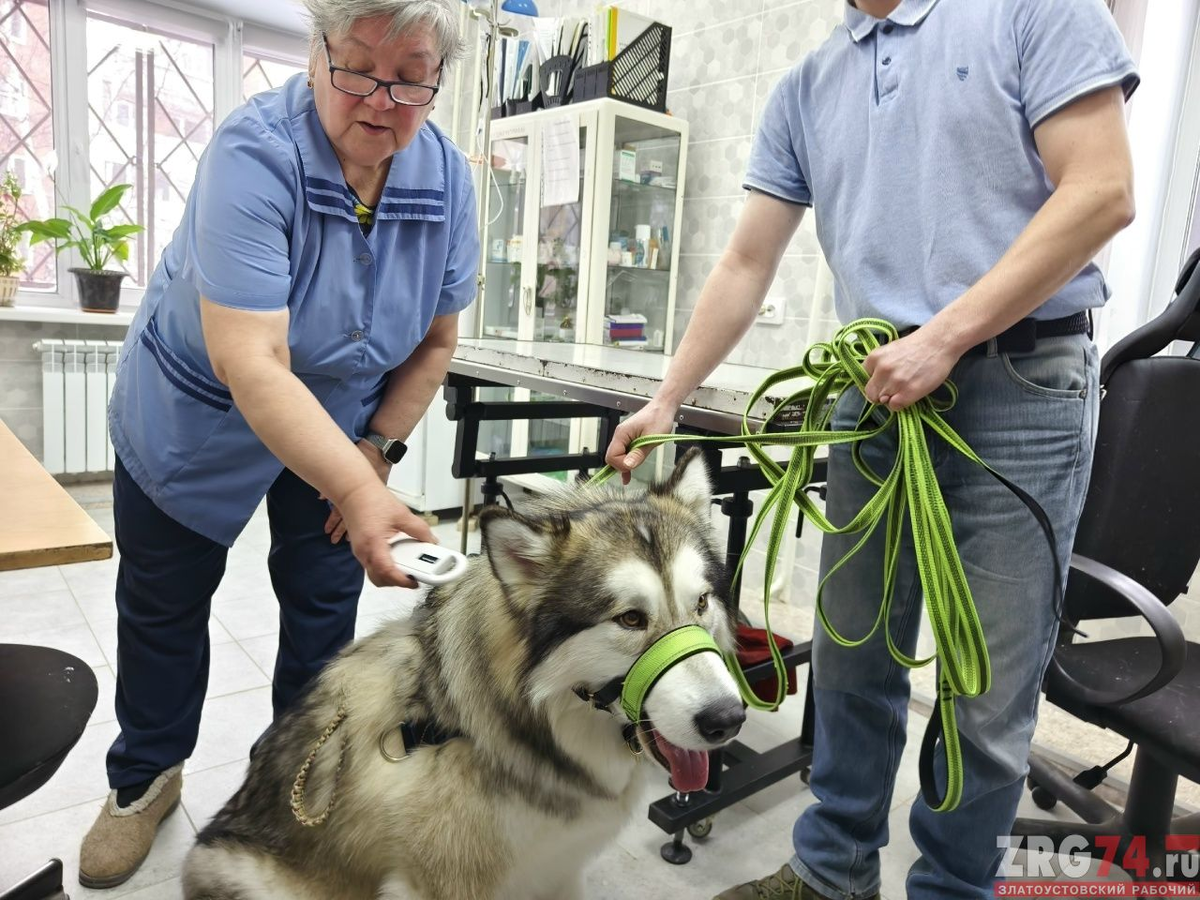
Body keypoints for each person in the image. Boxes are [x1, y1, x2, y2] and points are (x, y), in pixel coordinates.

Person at [605, 0, 1137, 897]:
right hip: (878, 393)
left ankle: (952, 887)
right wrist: (667, 397)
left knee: (985, 684)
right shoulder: (808, 86)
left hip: (1021, 382)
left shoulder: (1034, 10)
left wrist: (946, 337)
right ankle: (831, 873)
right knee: (853, 657)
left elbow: (1102, 190)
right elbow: (746, 262)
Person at [78, 0, 477, 888]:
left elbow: (436, 341)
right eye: (358, 66)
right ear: (315, 54)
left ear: (437, 81)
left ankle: (292, 782)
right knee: (163, 603)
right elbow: (252, 360)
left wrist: (374, 453)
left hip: (338, 426)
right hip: (198, 414)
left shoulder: (448, 181)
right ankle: (145, 777)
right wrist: (364, 494)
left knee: (323, 607)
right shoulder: (253, 154)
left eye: (410, 78)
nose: (380, 98)